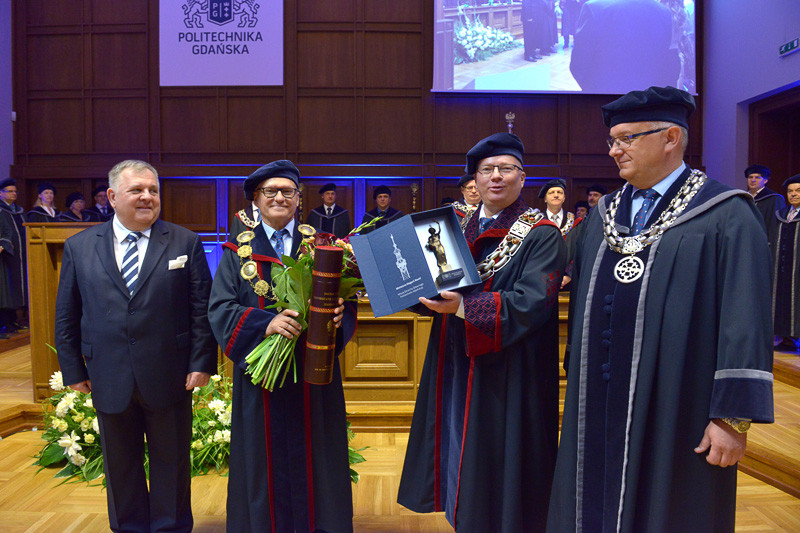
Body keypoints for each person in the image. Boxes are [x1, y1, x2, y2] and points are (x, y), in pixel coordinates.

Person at [548, 86, 774, 532]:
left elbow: (744, 319)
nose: (614, 151)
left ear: (671, 137)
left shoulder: (725, 214)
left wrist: (732, 420)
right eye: (612, 140)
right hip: (597, 400)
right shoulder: (604, 215)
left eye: (626, 138)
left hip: (679, 404)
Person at [398, 133, 566, 532]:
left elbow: (533, 302)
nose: (496, 177)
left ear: (522, 178)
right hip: (457, 360)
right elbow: (428, 286)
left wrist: (461, 307)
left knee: (500, 464)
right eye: (486, 170)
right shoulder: (453, 228)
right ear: (474, 180)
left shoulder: (541, 234)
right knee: (458, 446)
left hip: (510, 370)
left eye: (506, 169)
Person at [55, 159, 218, 532]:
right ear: (113, 196)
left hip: (170, 374)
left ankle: (170, 527)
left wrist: (202, 362)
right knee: (120, 465)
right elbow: (66, 314)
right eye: (137, 190)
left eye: (154, 190)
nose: (148, 197)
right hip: (107, 374)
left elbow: (200, 310)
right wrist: (73, 370)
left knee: (171, 463)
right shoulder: (80, 247)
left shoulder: (185, 242)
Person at [208, 160, 357, 532]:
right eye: (269, 191)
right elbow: (221, 308)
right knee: (262, 459)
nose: (279, 197)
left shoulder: (324, 245)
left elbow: (346, 301)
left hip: (314, 374)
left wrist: (340, 313)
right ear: (255, 201)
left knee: (319, 454)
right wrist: (266, 324)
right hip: (262, 382)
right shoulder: (236, 251)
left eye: (287, 191)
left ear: (298, 199)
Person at [569, 0, 680, 93]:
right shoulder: (663, 12)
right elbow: (669, 67)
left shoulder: (594, 8)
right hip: (646, 106)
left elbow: (578, 65)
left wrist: (595, 90)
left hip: (604, 103)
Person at [768, 173, 800, 352]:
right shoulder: (781, 215)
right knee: (781, 299)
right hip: (782, 267)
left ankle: (795, 337)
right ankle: (785, 336)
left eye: (797, 191)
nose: (793, 194)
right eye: (790, 191)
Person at [0, 178, 27, 336]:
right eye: (10, 191)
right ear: (1, 193)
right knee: (5, 291)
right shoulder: (2, 210)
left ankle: (11, 322)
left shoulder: (19, 211)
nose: (14, 193)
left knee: (12, 290)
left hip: (20, 256)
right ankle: (6, 323)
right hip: (6, 257)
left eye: (15, 191)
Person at [745, 164, 785, 237]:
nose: (753, 180)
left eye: (757, 178)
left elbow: (774, 224)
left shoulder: (774, 198)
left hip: (763, 239)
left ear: (765, 180)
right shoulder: (743, 197)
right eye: (750, 177)